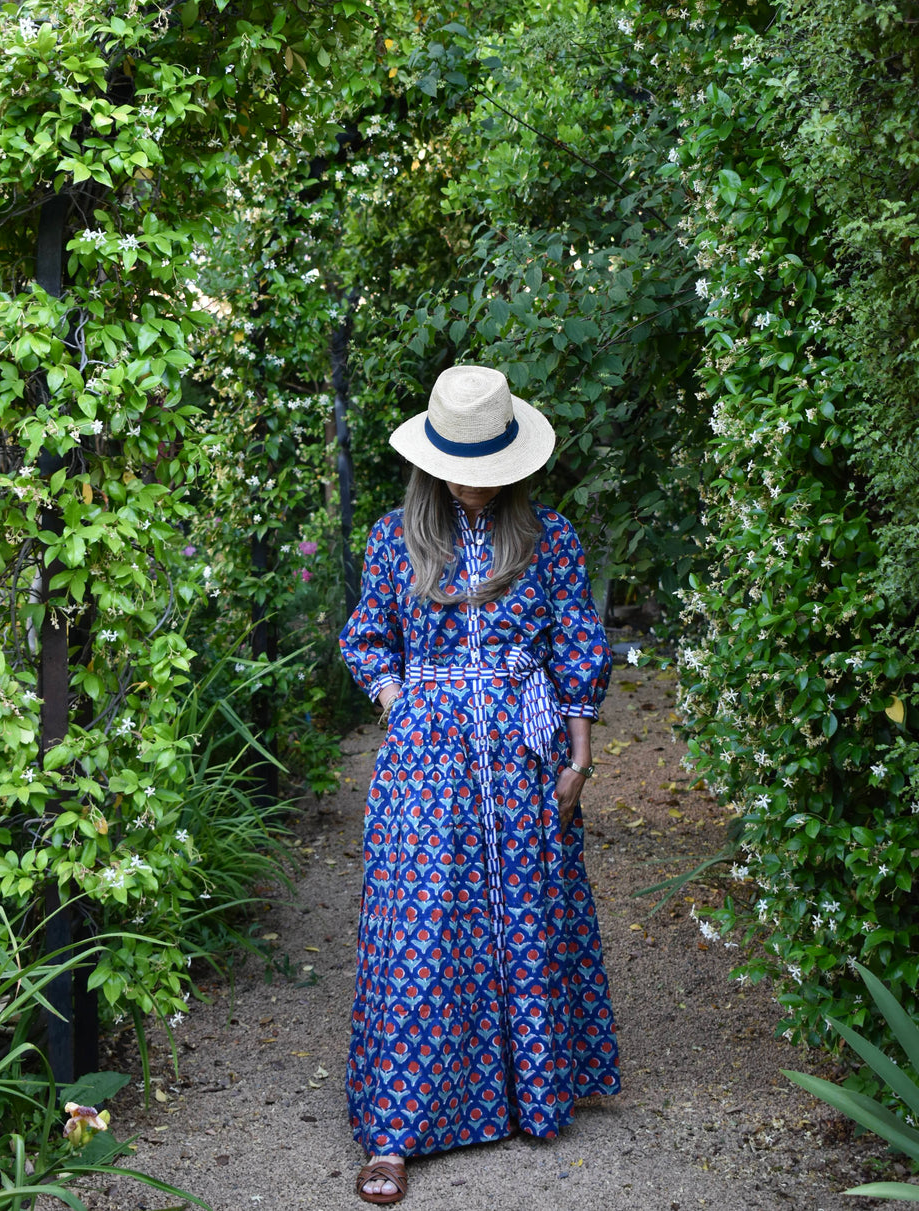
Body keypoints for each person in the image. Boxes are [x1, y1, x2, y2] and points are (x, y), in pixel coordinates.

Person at [339, 365, 619, 1205]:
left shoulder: (549, 536)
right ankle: (395, 1131)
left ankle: (528, 1094)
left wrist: (578, 761)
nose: (474, 482)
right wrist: (400, 700)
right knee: (422, 929)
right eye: (461, 465)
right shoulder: (394, 537)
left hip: (522, 751)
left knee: (525, 912)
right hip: (426, 759)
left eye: (489, 466)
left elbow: (576, 646)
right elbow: (367, 637)